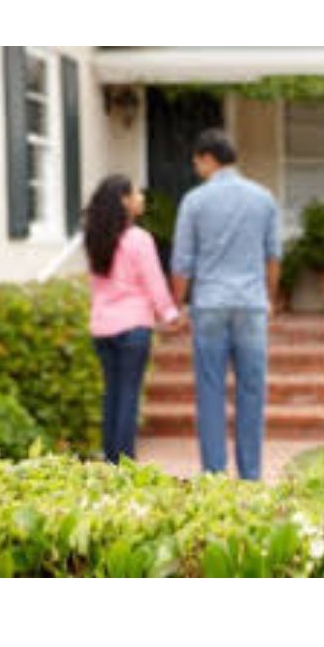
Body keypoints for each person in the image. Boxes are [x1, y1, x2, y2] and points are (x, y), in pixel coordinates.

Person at [171, 129, 281, 480]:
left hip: (209, 303)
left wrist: (177, 304)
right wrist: (270, 297)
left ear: (208, 159)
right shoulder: (263, 198)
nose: (196, 169)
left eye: (197, 162)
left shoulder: (194, 201)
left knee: (210, 390)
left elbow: (182, 262)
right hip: (251, 303)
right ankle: (250, 475)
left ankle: (215, 476)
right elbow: (273, 256)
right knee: (252, 390)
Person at [84, 175, 181, 464]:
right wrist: (170, 313)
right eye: (136, 194)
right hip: (133, 328)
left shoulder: (95, 238)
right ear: (124, 201)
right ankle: (125, 465)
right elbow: (154, 282)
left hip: (102, 327)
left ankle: (111, 461)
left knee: (112, 394)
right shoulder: (139, 239)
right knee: (128, 395)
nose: (142, 198)